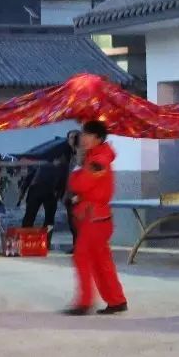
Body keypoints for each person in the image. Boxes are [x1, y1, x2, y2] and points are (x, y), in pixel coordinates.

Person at [62, 120, 128, 315]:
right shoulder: (95, 157)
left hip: (95, 219)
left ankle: (85, 301)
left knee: (82, 256)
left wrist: (78, 169)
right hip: (95, 217)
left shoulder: (98, 160)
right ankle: (116, 300)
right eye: (83, 134)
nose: (83, 138)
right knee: (101, 261)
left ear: (98, 138)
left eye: (88, 135)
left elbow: (80, 184)